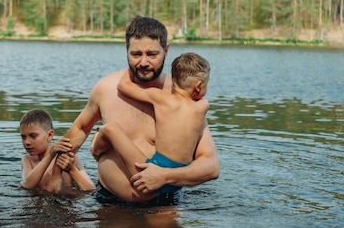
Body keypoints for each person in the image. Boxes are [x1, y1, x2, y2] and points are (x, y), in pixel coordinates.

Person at [63, 16, 219, 204]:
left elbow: (210, 166)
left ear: (166, 50)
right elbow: (80, 129)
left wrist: (165, 176)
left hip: (163, 202)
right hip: (107, 201)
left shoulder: (184, 99)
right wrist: (54, 174)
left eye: (152, 54)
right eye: (136, 54)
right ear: (126, 51)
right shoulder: (106, 89)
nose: (144, 62)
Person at [91, 52, 210, 197]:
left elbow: (123, 86)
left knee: (110, 129)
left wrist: (134, 66)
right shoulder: (202, 106)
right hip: (179, 181)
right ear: (198, 86)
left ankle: (96, 151)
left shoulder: (160, 98)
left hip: (153, 172)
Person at [20, 109, 95, 194]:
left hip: (65, 201)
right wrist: (50, 155)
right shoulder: (28, 160)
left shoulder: (69, 157)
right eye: (23, 137)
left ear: (49, 135)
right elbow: (26, 185)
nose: (27, 142)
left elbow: (90, 189)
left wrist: (71, 170)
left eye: (33, 136)